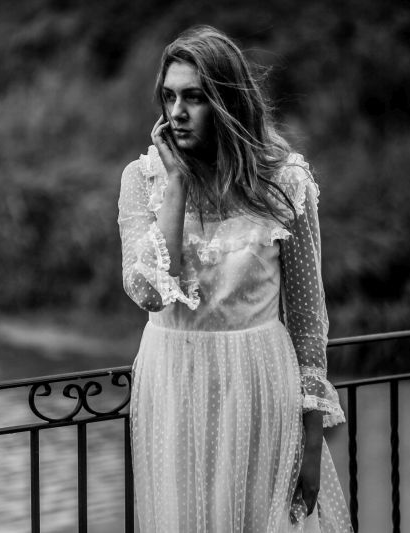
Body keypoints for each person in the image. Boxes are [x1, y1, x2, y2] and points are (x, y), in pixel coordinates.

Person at [118, 25, 352, 533]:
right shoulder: (144, 180)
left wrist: (313, 443)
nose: (177, 112)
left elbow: (307, 321)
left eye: (194, 97)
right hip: (172, 386)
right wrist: (177, 187)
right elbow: (148, 292)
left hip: (259, 384)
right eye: (169, 96)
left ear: (226, 102)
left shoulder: (285, 182)